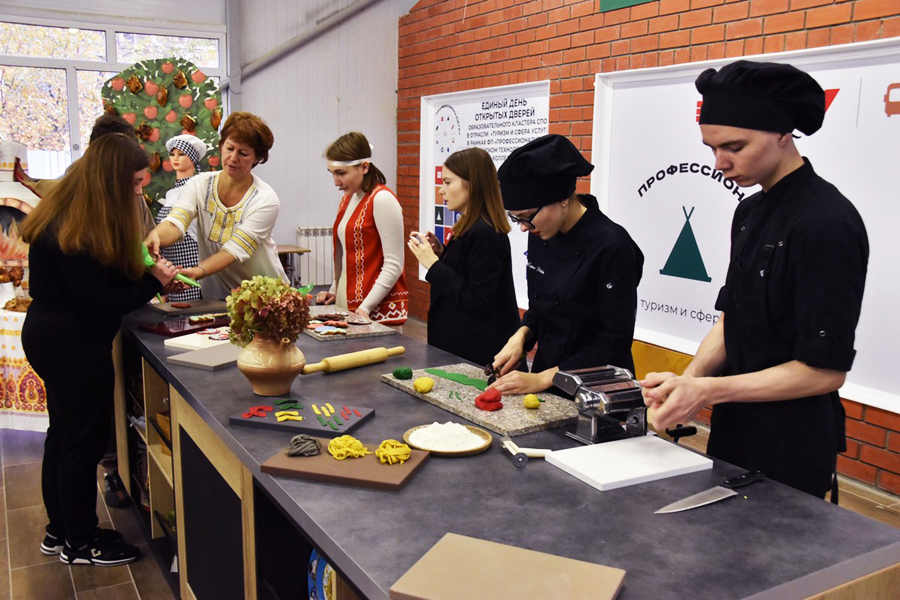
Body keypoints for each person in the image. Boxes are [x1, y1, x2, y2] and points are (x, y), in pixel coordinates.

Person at [641, 61, 869, 500]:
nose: (720, 163)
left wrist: (708, 389)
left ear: (783, 133)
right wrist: (686, 384)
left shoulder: (826, 222)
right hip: (734, 426)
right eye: (711, 148)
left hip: (794, 443)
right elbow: (732, 321)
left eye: (734, 147)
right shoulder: (749, 211)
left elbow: (823, 372)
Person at [21, 133, 178, 566]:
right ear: (111, 180)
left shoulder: (66, 208)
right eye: (134, 186)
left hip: (50, 334)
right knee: (82, 445)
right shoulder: (81, 227)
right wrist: (154, 282)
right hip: (73, 344)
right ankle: (81, 542)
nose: (138, 194)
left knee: (63, 437)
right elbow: (98, 303)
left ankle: (60, 531)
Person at [489, 134, 644, 395]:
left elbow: (613, 340)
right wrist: (521, 337)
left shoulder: (612, 245)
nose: (523, 227)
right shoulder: (543, 231)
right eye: (516, 218)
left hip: (598, 391)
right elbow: (542, 306)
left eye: (527, 217)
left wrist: (543, 379)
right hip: (547, 379)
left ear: (561, 198)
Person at [145, 112, 287, 299]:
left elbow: (234, 250)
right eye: (229, 148)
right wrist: (155, 235)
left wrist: (198, 271)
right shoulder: (199, 184)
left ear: (257, 158)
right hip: (218, 298)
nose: (233, 158)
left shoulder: (265, 199)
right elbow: (176, 221)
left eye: (243, 153)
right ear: (221, 147)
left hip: (265, 297)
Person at [407, 147, 520, 365]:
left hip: (475, 352)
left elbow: (477, 301)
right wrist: (442, 253)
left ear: (472, 184)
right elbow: (466, 272)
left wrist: (433, 264)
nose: (442, 190)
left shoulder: (485, 232)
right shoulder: (470, 226)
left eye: (448, 183)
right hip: (458, 346)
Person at [317, 132, 408, 324]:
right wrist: (334, 290)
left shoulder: (382, 199)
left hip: (372, 307)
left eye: (341, 173)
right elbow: (347, 258)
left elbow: (394, 264)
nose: (336, 181)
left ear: (364, 167)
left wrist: (366, 306)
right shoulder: (348, 198)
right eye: (332, 173)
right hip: (348, 302)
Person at [155, 134, 207, 302]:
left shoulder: (198, 190)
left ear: (193, 158)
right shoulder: (171, 193)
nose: (175, 158)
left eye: (182, 154)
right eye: (172, 154)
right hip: (171, 266)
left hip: (191, 262)